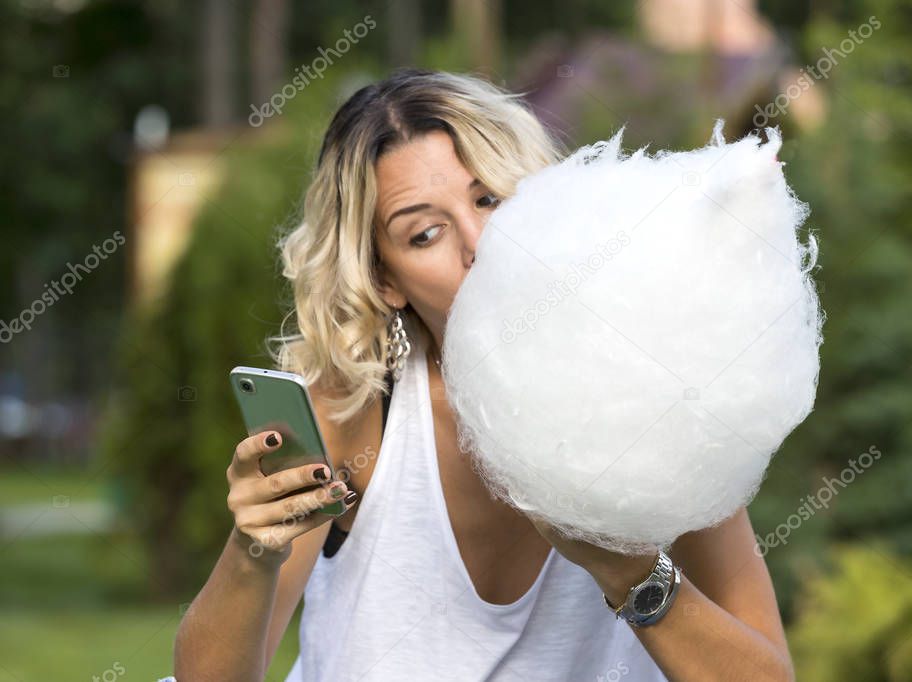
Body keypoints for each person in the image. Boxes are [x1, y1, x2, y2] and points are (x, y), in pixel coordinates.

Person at [172, 67, 795, 681]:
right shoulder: (352, 413)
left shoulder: (660, 393)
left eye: (490, 199)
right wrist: (254, 551)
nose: (477, 244)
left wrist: (630, 574)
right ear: (385, 279)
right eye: (425, 233)